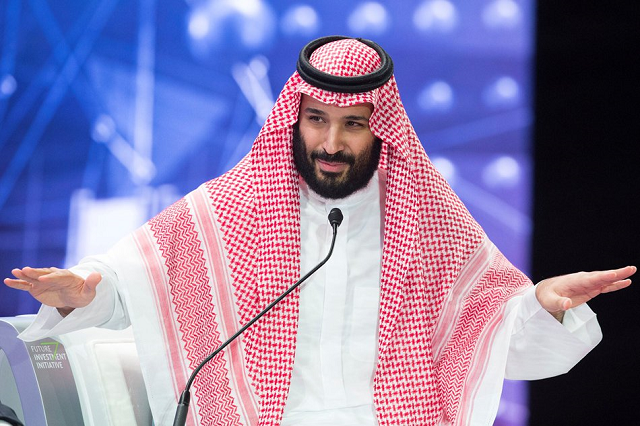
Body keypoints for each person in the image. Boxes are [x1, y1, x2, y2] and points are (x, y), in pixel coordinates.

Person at [3, 36, 635, 426]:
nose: (331, 143)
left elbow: (490, 330)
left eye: (353, 124)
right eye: (317, 119)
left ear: (379, 127)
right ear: (294, 119)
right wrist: (86, 288)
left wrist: (543, 307)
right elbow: (138, 277)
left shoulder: (426, 217)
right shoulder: (235, 205)